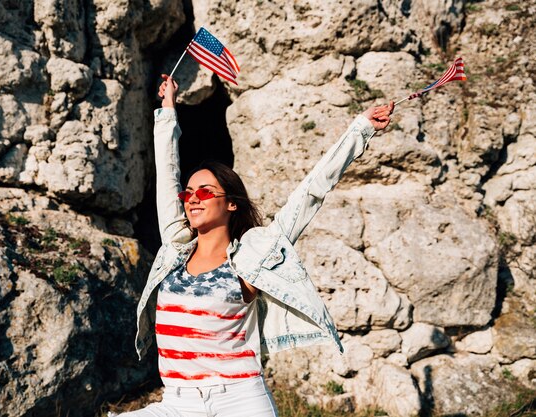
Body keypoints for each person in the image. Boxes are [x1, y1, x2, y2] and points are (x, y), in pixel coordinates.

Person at [112, 75, 394, 417]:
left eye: (204, 192)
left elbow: (312, 191)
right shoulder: (175, 248)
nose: (192, 200)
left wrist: (360, 129)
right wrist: (168, 109)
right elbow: (166, 175)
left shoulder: (253, 257)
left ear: (231, 203)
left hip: (239, 399)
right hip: (178, 402)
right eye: (188, 194)